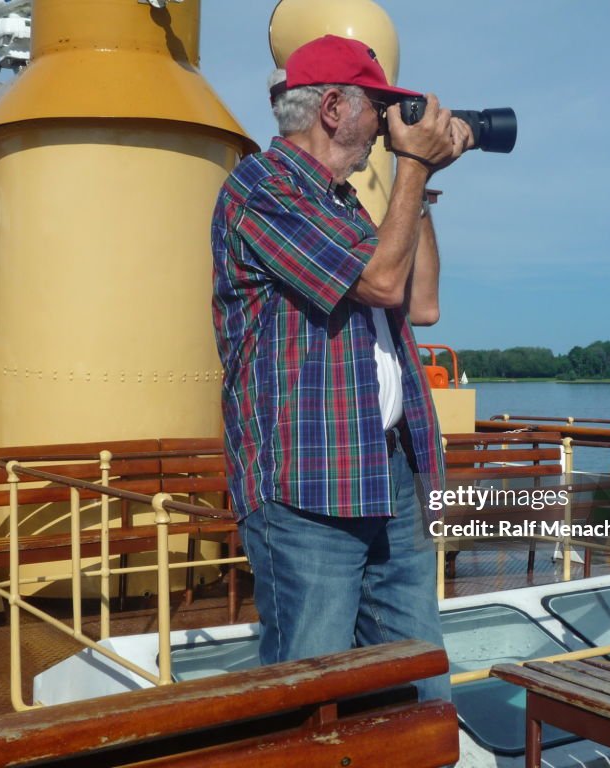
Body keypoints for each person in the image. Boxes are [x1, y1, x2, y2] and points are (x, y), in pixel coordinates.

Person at [210, 34, 472, 702]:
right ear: (332, 107)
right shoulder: (260, 188)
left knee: (419, 684)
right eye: (378, 106)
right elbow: (383, 283)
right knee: (313, 692)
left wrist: (425, 181)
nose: (388, 121)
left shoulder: (344, 202)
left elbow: (423, 302)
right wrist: (410, 163)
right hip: (309, 481)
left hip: (390, 466)